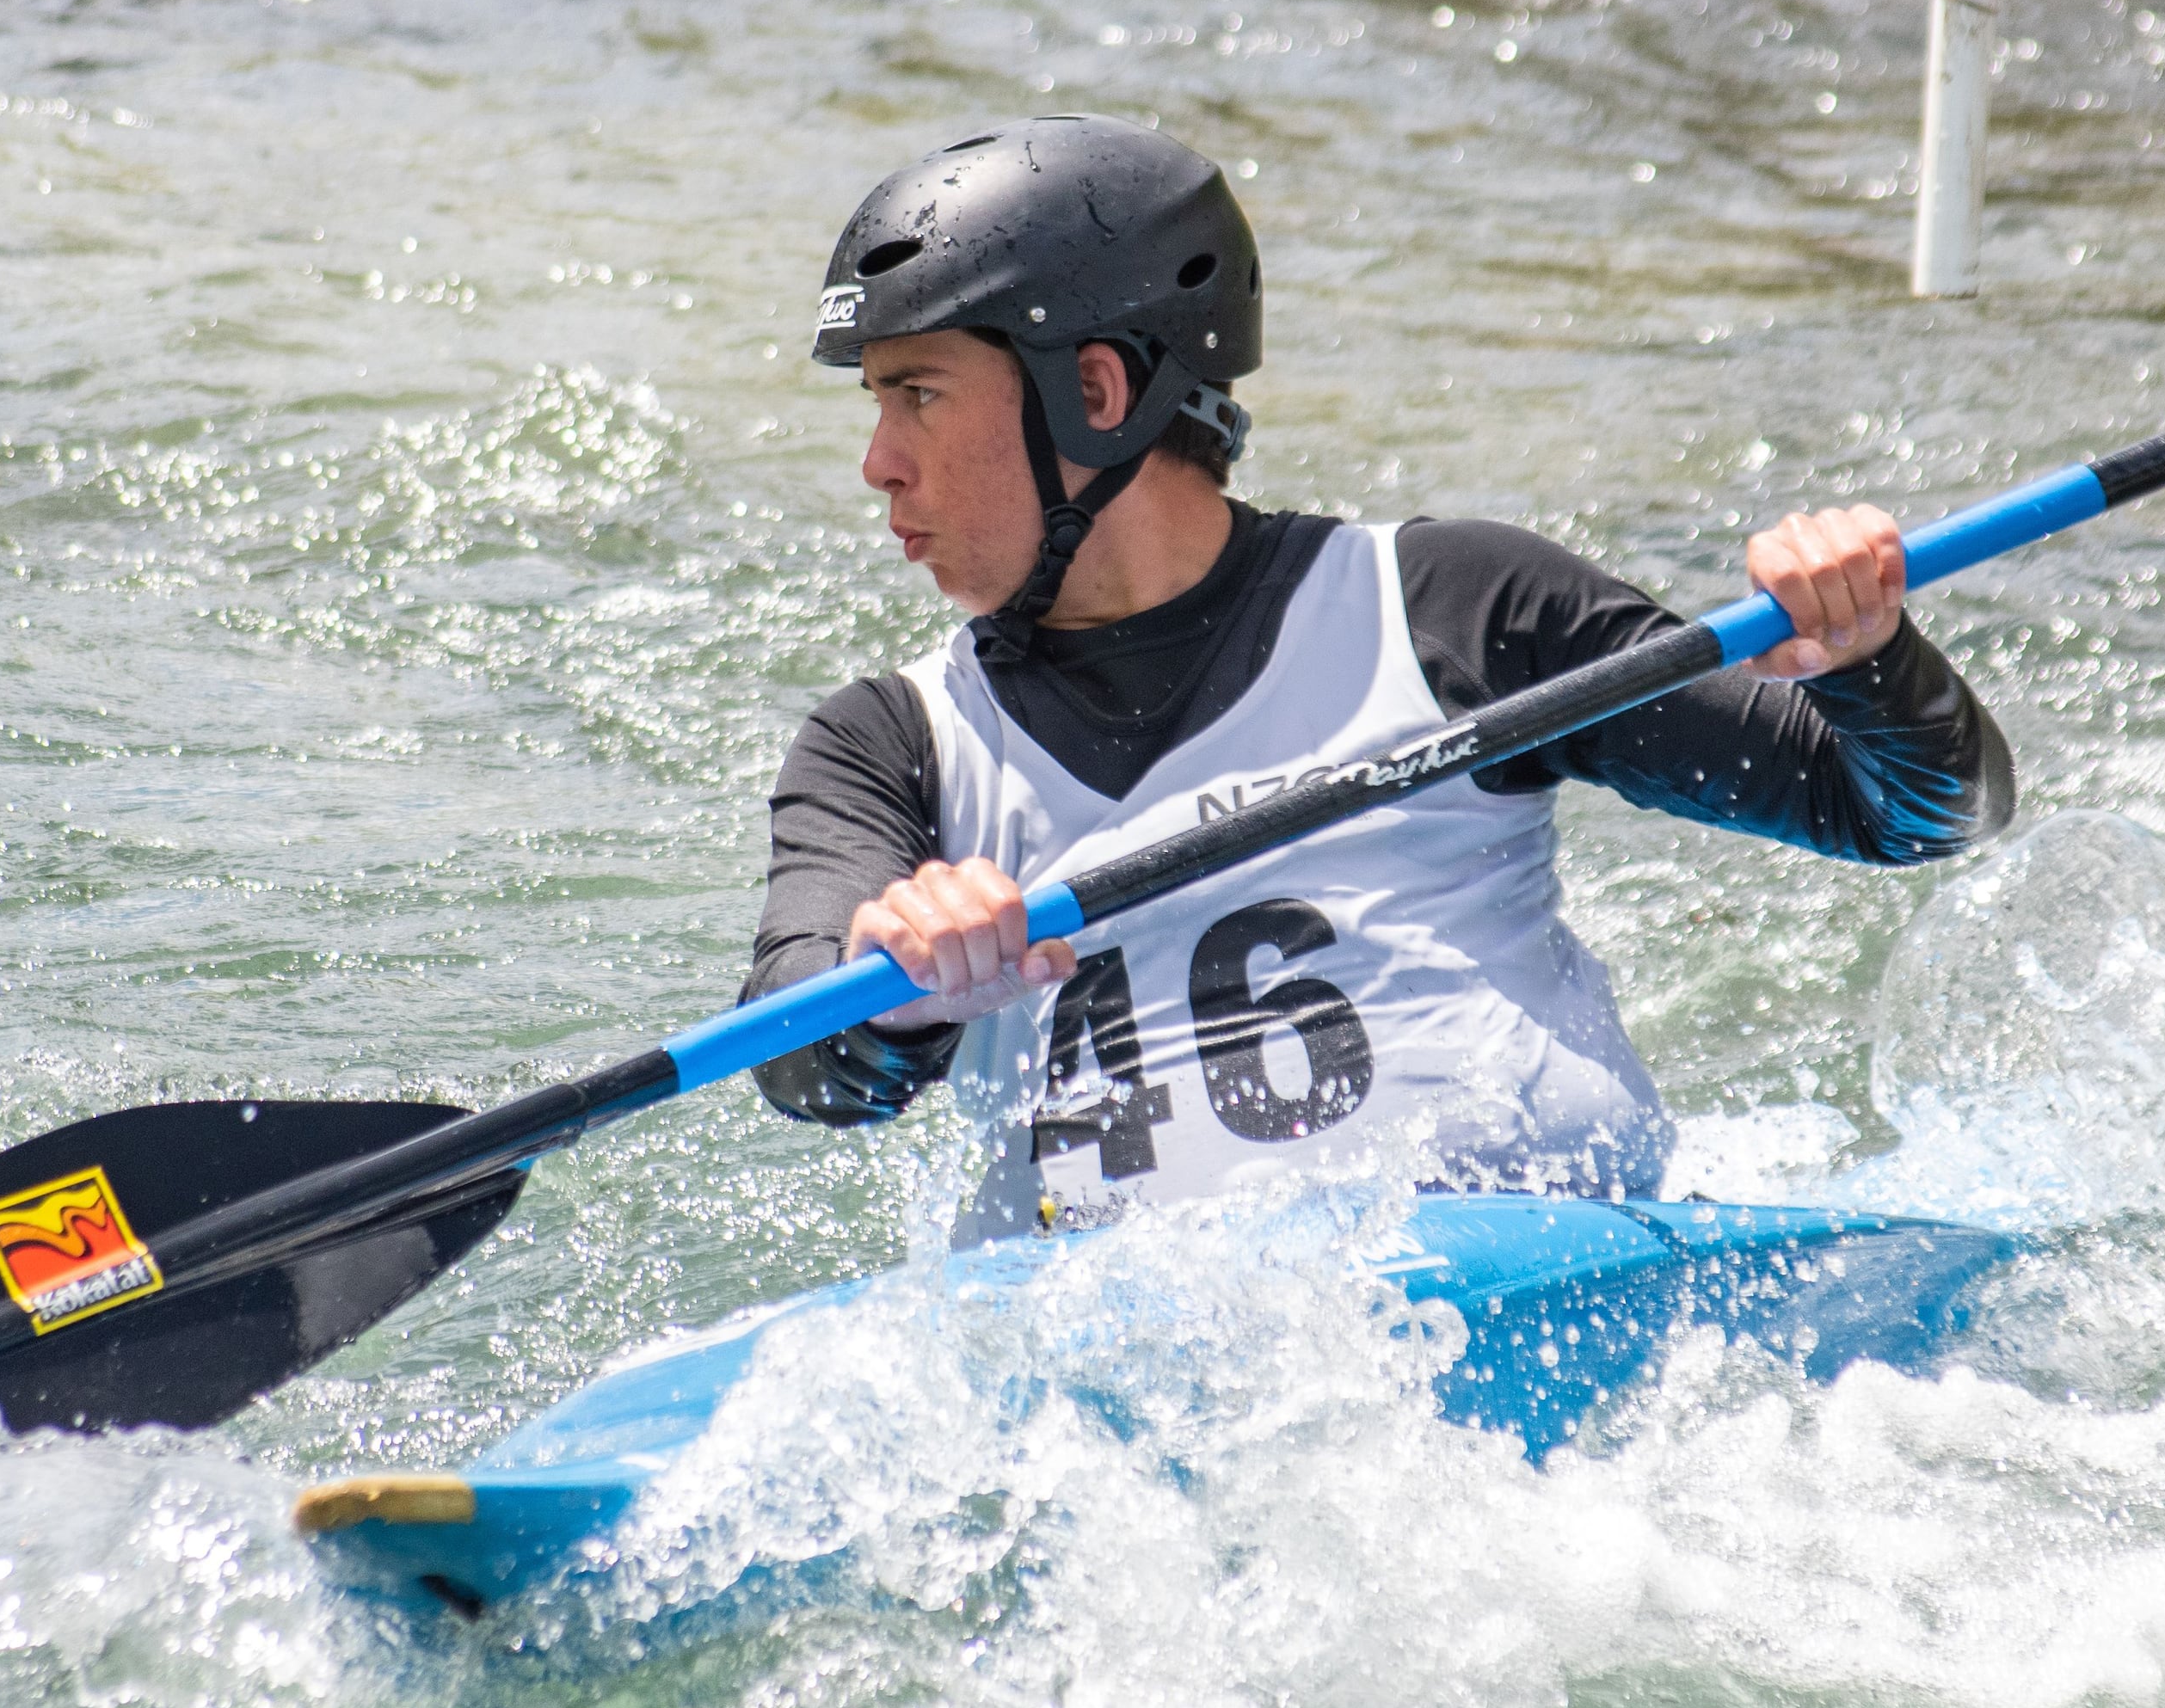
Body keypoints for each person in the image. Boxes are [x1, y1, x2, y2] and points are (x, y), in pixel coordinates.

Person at [749, 114, 2014, 1242]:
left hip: (1535, 1283)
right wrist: (893, 979)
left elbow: (1915, 813)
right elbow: (801, 1057)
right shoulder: (889, 743)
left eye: (917, 395)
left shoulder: (1456, 612)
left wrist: (1864, 655)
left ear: (1095, 391)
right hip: (1122, 1386)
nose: (877, 464)